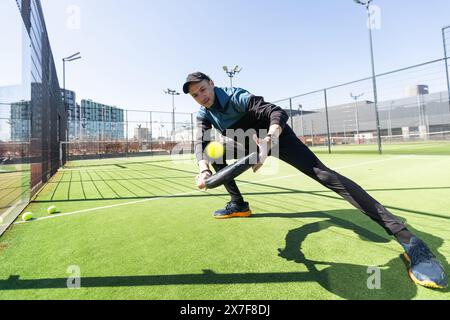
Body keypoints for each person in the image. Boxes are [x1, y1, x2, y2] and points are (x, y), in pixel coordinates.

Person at [182, 72, 448, 289]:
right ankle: (238, 204)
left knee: (326, 176)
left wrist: (269, 141)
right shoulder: (204, 114)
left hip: (277, 138)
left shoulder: (236, 96)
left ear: (212, 84)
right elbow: (200, 141)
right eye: (195, 95)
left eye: (203, 89)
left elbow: (276, 112)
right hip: (246, 141)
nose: (201, 97)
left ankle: (408, 239)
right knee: (211, 151)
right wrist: (204, 169)